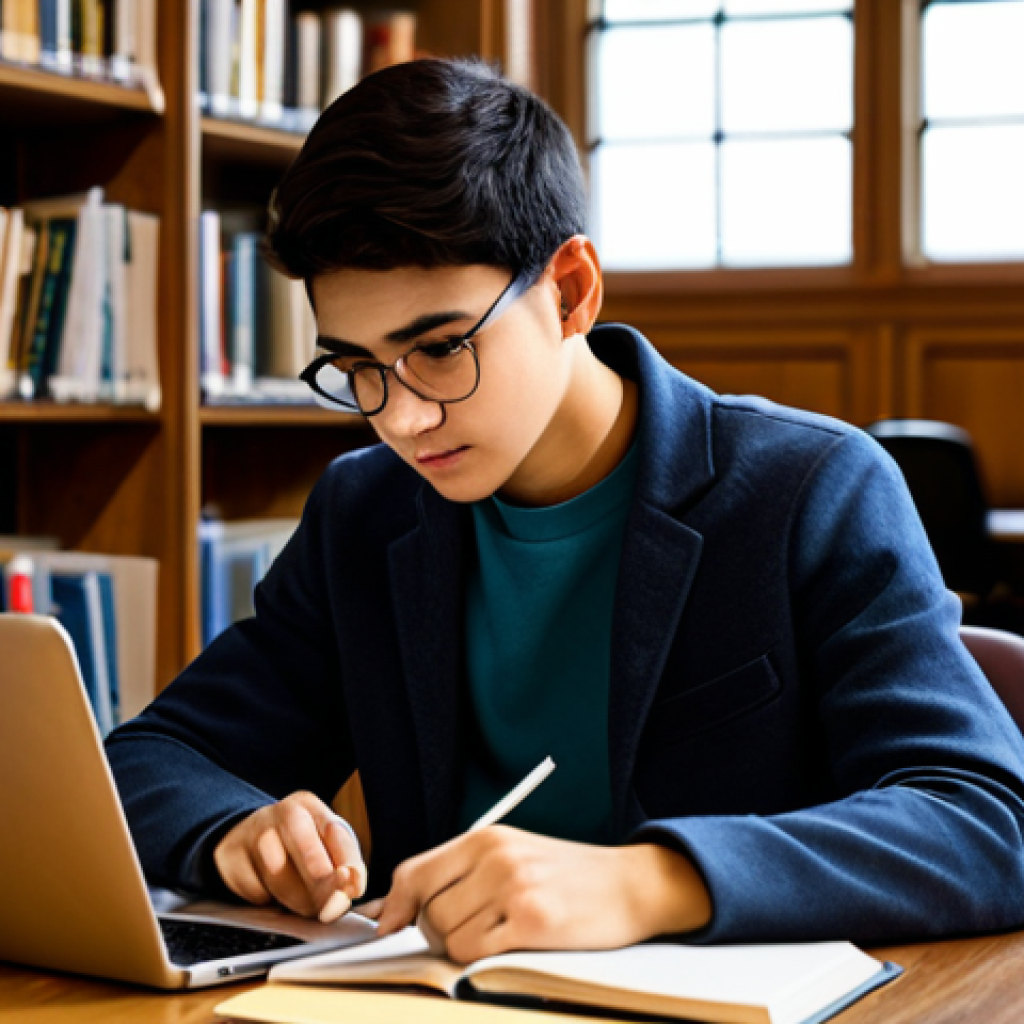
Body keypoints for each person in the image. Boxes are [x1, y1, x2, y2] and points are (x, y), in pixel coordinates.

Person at [106, 58, 1024, 964]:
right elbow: (141, 762)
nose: (402, 417)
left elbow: (986, 821)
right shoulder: (366, 511)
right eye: (357, 370)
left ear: (573, 291)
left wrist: (646, 882)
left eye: (438, 349)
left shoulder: (812, 489)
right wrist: (233, 832)